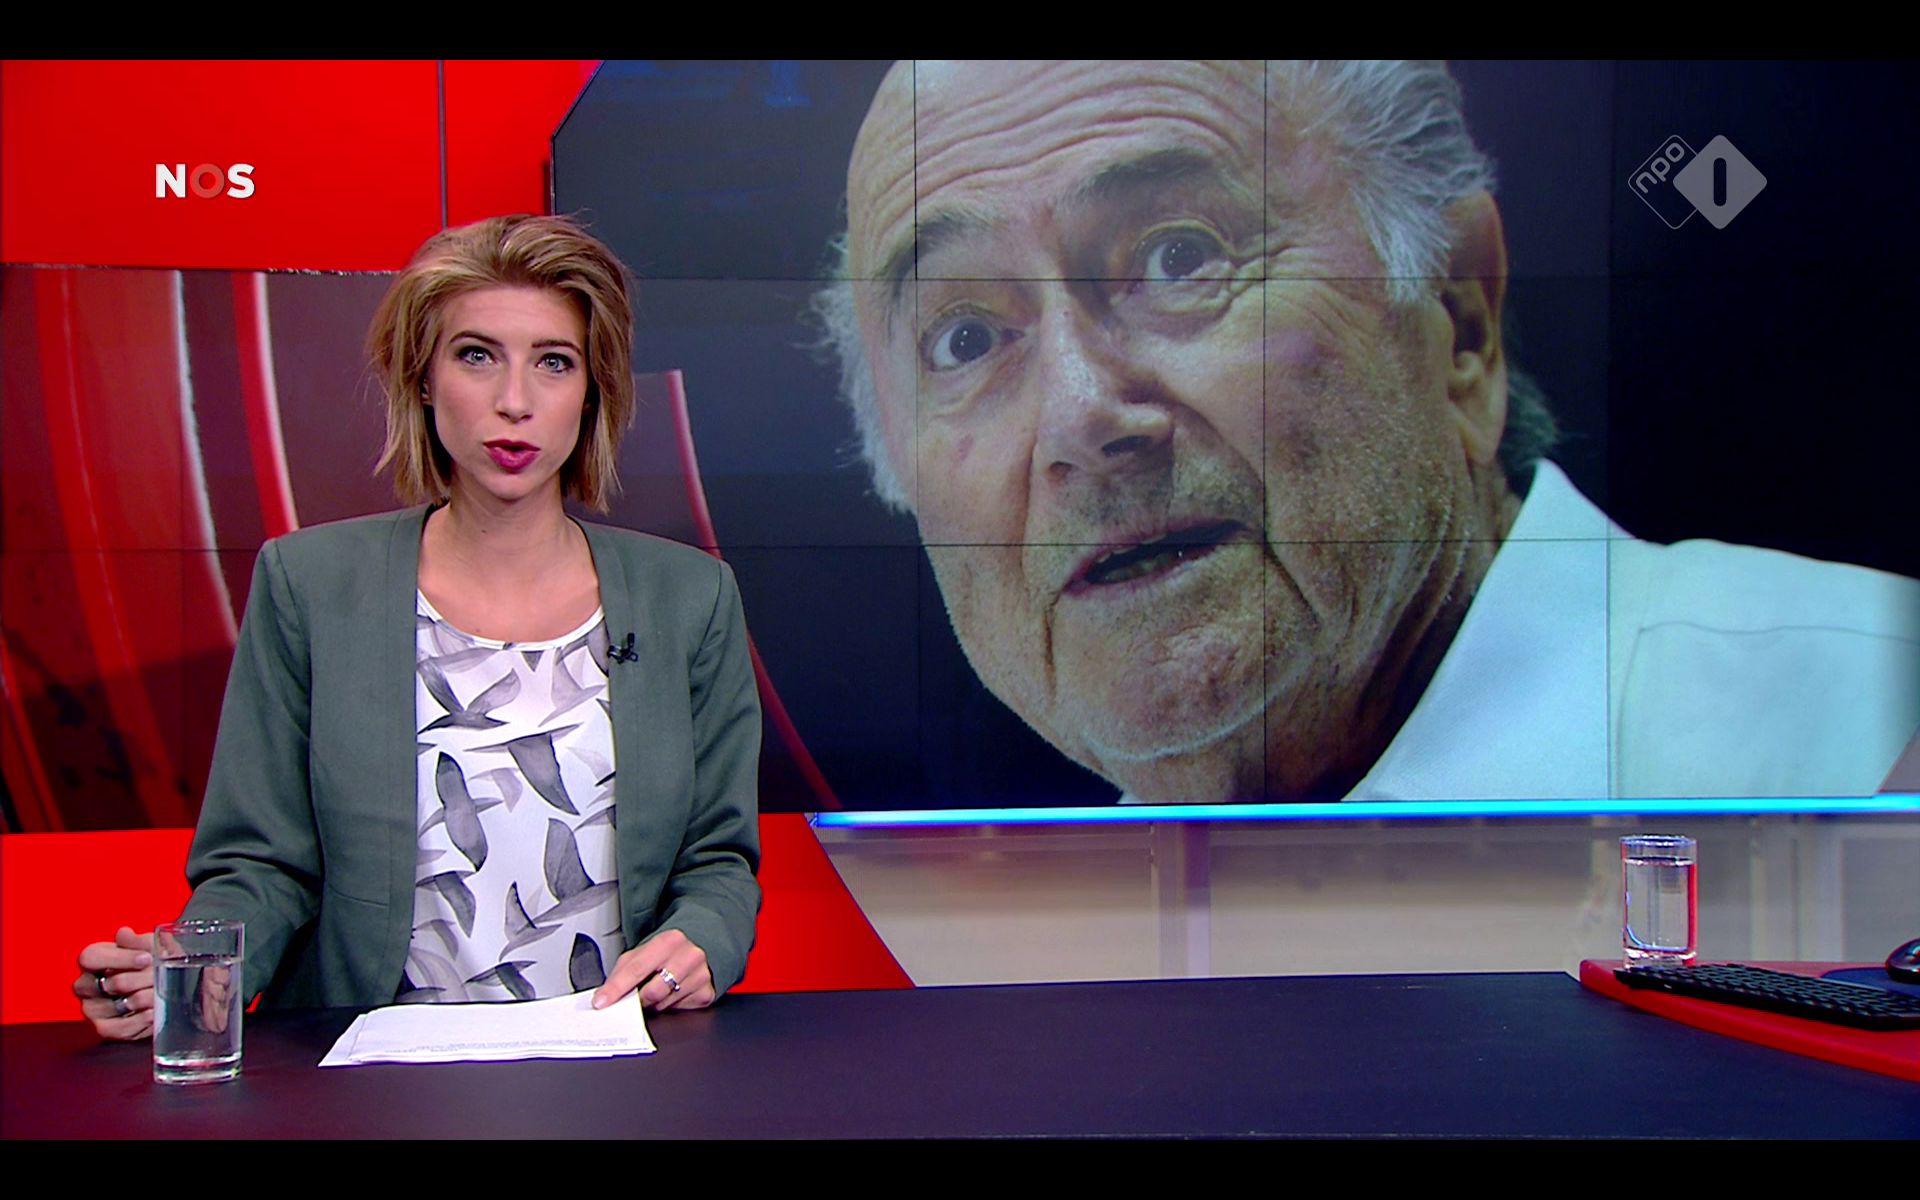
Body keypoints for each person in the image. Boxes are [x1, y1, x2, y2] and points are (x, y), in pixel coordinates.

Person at [812, 60, 1920, 804]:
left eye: (1180, 257)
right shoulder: (968, 953)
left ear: (1459, 317)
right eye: (964, 338)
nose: (1078, 416)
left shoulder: (1870, 740)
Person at [76, 215, 761, 1038]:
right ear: (424, 379)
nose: (514, 401)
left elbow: (719, 859)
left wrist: (705, 938)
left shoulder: (689, 597)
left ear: (592, 392)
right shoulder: (311, 584)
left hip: (611, 1054)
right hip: (371, 1069)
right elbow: (260, 861)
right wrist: (200, 971)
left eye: (553, 362)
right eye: (476, 356)